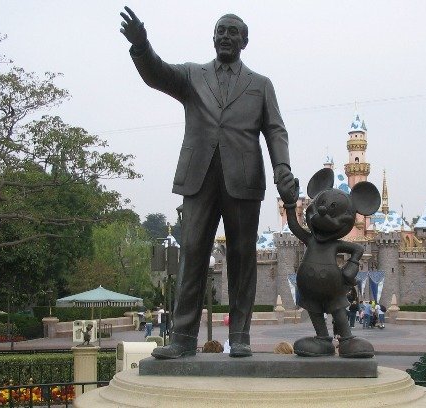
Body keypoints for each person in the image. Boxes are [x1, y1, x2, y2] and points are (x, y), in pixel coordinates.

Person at [120, 7, 295, 360]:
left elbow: (275, 129)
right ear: (213, 38)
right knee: (193, 255)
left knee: (243, 259)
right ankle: (183, 337)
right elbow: (158, 74)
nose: (227, 36)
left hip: (243, 180)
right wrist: (141, 45)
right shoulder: (192, 75)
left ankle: (241, 336)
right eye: (221, 31)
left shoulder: (260, 85)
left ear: (244, 41)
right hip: (198, 178)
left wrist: (282, 168)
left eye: (234, 32)